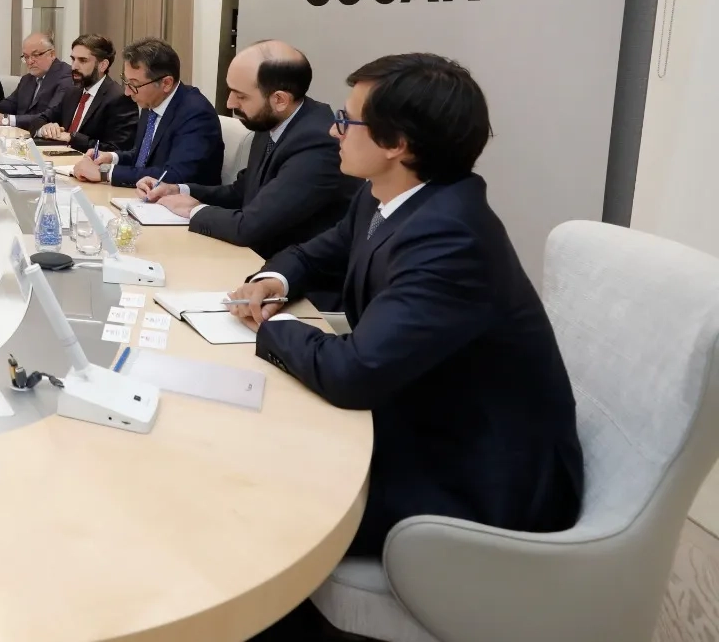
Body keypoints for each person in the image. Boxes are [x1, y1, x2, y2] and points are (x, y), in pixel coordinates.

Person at [230, 53, 582, 572]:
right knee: (247, 441)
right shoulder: (386, 196)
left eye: (347, 120)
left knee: (251, 496)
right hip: (414, 409)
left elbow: (354, 372)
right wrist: (273, 281)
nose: (333, 130)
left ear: (396, 144)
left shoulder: (451, 237)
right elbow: (317, 253)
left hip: (473, 479)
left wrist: (274, 325)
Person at [137, 40, 358, 262]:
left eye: (241, 96)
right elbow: (242, 192)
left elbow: (250, 226)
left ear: (279, 99)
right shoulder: (271, 119)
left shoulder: (317, 143)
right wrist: (178, 190)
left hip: (291, 270)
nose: (230, 103)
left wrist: (194, 209)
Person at [72, 37, 222, 188]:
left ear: (166, 83)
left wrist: (106, 173)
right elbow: (143, 158)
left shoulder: (196, 114)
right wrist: (111, 157)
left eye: (134, 84)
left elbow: (175, 175)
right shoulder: (151, 103)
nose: (127, 92)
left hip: (182, 201)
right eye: (126, 82)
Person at [36, 33, 136, 153]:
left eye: (83, 60)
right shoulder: (72, 91)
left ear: (102, 65)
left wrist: (72, 138)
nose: (74, 66)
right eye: (73, 59)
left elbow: (116, 150)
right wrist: (45, 128)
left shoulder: (119, 98)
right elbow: (41, 118)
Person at [0, 32, 73, 133]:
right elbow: (10, 104)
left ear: (52, 54)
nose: (30, 61)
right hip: (20, 135)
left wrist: (6, 120)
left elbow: (49, 116)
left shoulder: (66, 77)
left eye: (36, 55)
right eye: (26, 57)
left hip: (47, 138)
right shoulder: (27, 79)